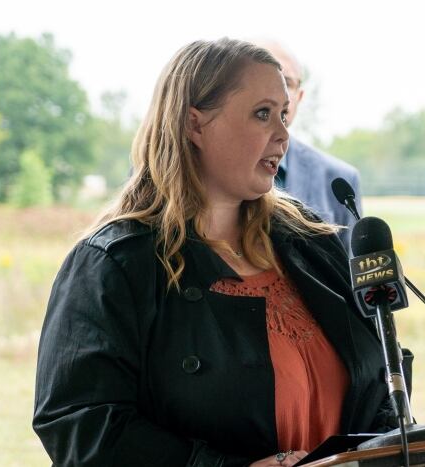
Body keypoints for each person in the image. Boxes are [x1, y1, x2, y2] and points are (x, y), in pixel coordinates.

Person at [33, 38, 396, 467]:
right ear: (194, 125)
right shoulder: (112, 262)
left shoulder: (312, 243)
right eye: (263, 114)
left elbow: (377, 391)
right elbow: (80, 427)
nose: (283, 134)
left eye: (284, 114)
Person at [257, 41, 363, 249]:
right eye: (262, 79)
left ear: (300, 96)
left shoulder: (340, 179)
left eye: (285, 82)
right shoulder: (210, 173)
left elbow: (350, 277)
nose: (275, 92)